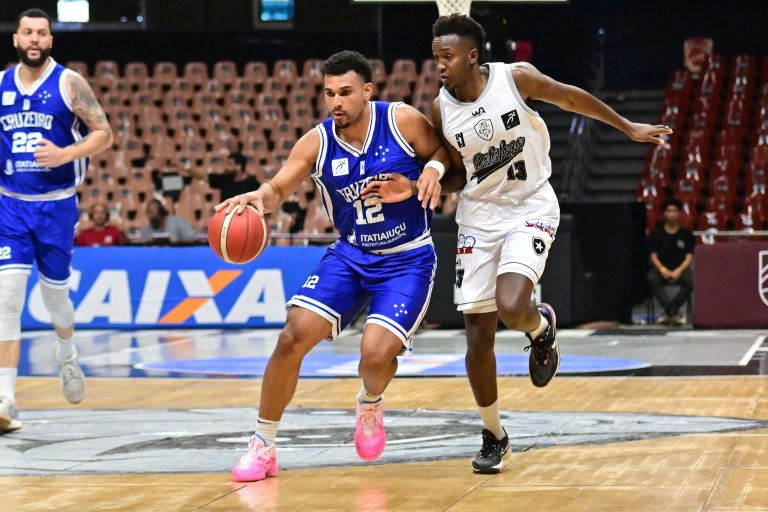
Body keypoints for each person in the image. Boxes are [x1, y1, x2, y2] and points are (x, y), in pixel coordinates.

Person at [363, 14, 673, 474]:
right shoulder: (441, 109)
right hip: (478, 215)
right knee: (477, 337)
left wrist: (626, 126)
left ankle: (539, 327)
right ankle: (494, 435)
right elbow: (459, 175)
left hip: (530, 203)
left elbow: (570, 97)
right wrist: (416, 185)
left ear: (472, 56)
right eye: (435, 57)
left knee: (511, 306)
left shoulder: (515, 79)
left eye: (447, 57)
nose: (439, 65)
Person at [217, 50, 445, 482]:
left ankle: (370, 402)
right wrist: (258, 198)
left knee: (374, 356)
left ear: (367, 90)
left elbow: (444, 159)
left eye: (345, 92)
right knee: (291, 337)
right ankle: (263, 445)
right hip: (351, 254)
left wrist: (420, 179)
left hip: (407, 259)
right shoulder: (316, 142)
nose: (336, 102)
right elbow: (278, 189)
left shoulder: (401, 121)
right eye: (328, 94)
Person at [0, 8, 113, 432]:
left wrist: (65, 154)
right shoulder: (0, 84)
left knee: (56, 300)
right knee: (7, 298)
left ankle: (66, 353)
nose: (34, 38)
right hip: (11, 206)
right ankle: (5, 399)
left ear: (50, 39)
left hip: (56, 206)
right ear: (16, 39)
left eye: (41, 33)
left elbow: (104, 134)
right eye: (27, 32)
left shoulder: (69, 83)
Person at [646, 197, 694, 325]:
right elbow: (653, 256)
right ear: (664, 214)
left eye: (674, 211)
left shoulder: (686, 235)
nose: (671, 214)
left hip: (680, 268)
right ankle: (673, 312)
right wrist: (662, 269)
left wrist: (679, 270)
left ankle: (669, 311)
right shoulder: (656, 234)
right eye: (668, 211)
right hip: (661, 268)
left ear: (679, 214)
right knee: (651, 279)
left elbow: (689, 257)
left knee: (691, 280)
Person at [183, 151, 260, 201]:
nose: (226, 167)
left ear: (238, 166)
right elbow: (203, 176)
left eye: (230, 164)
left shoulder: (252, 184)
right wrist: (185, 167)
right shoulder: (225, 179)